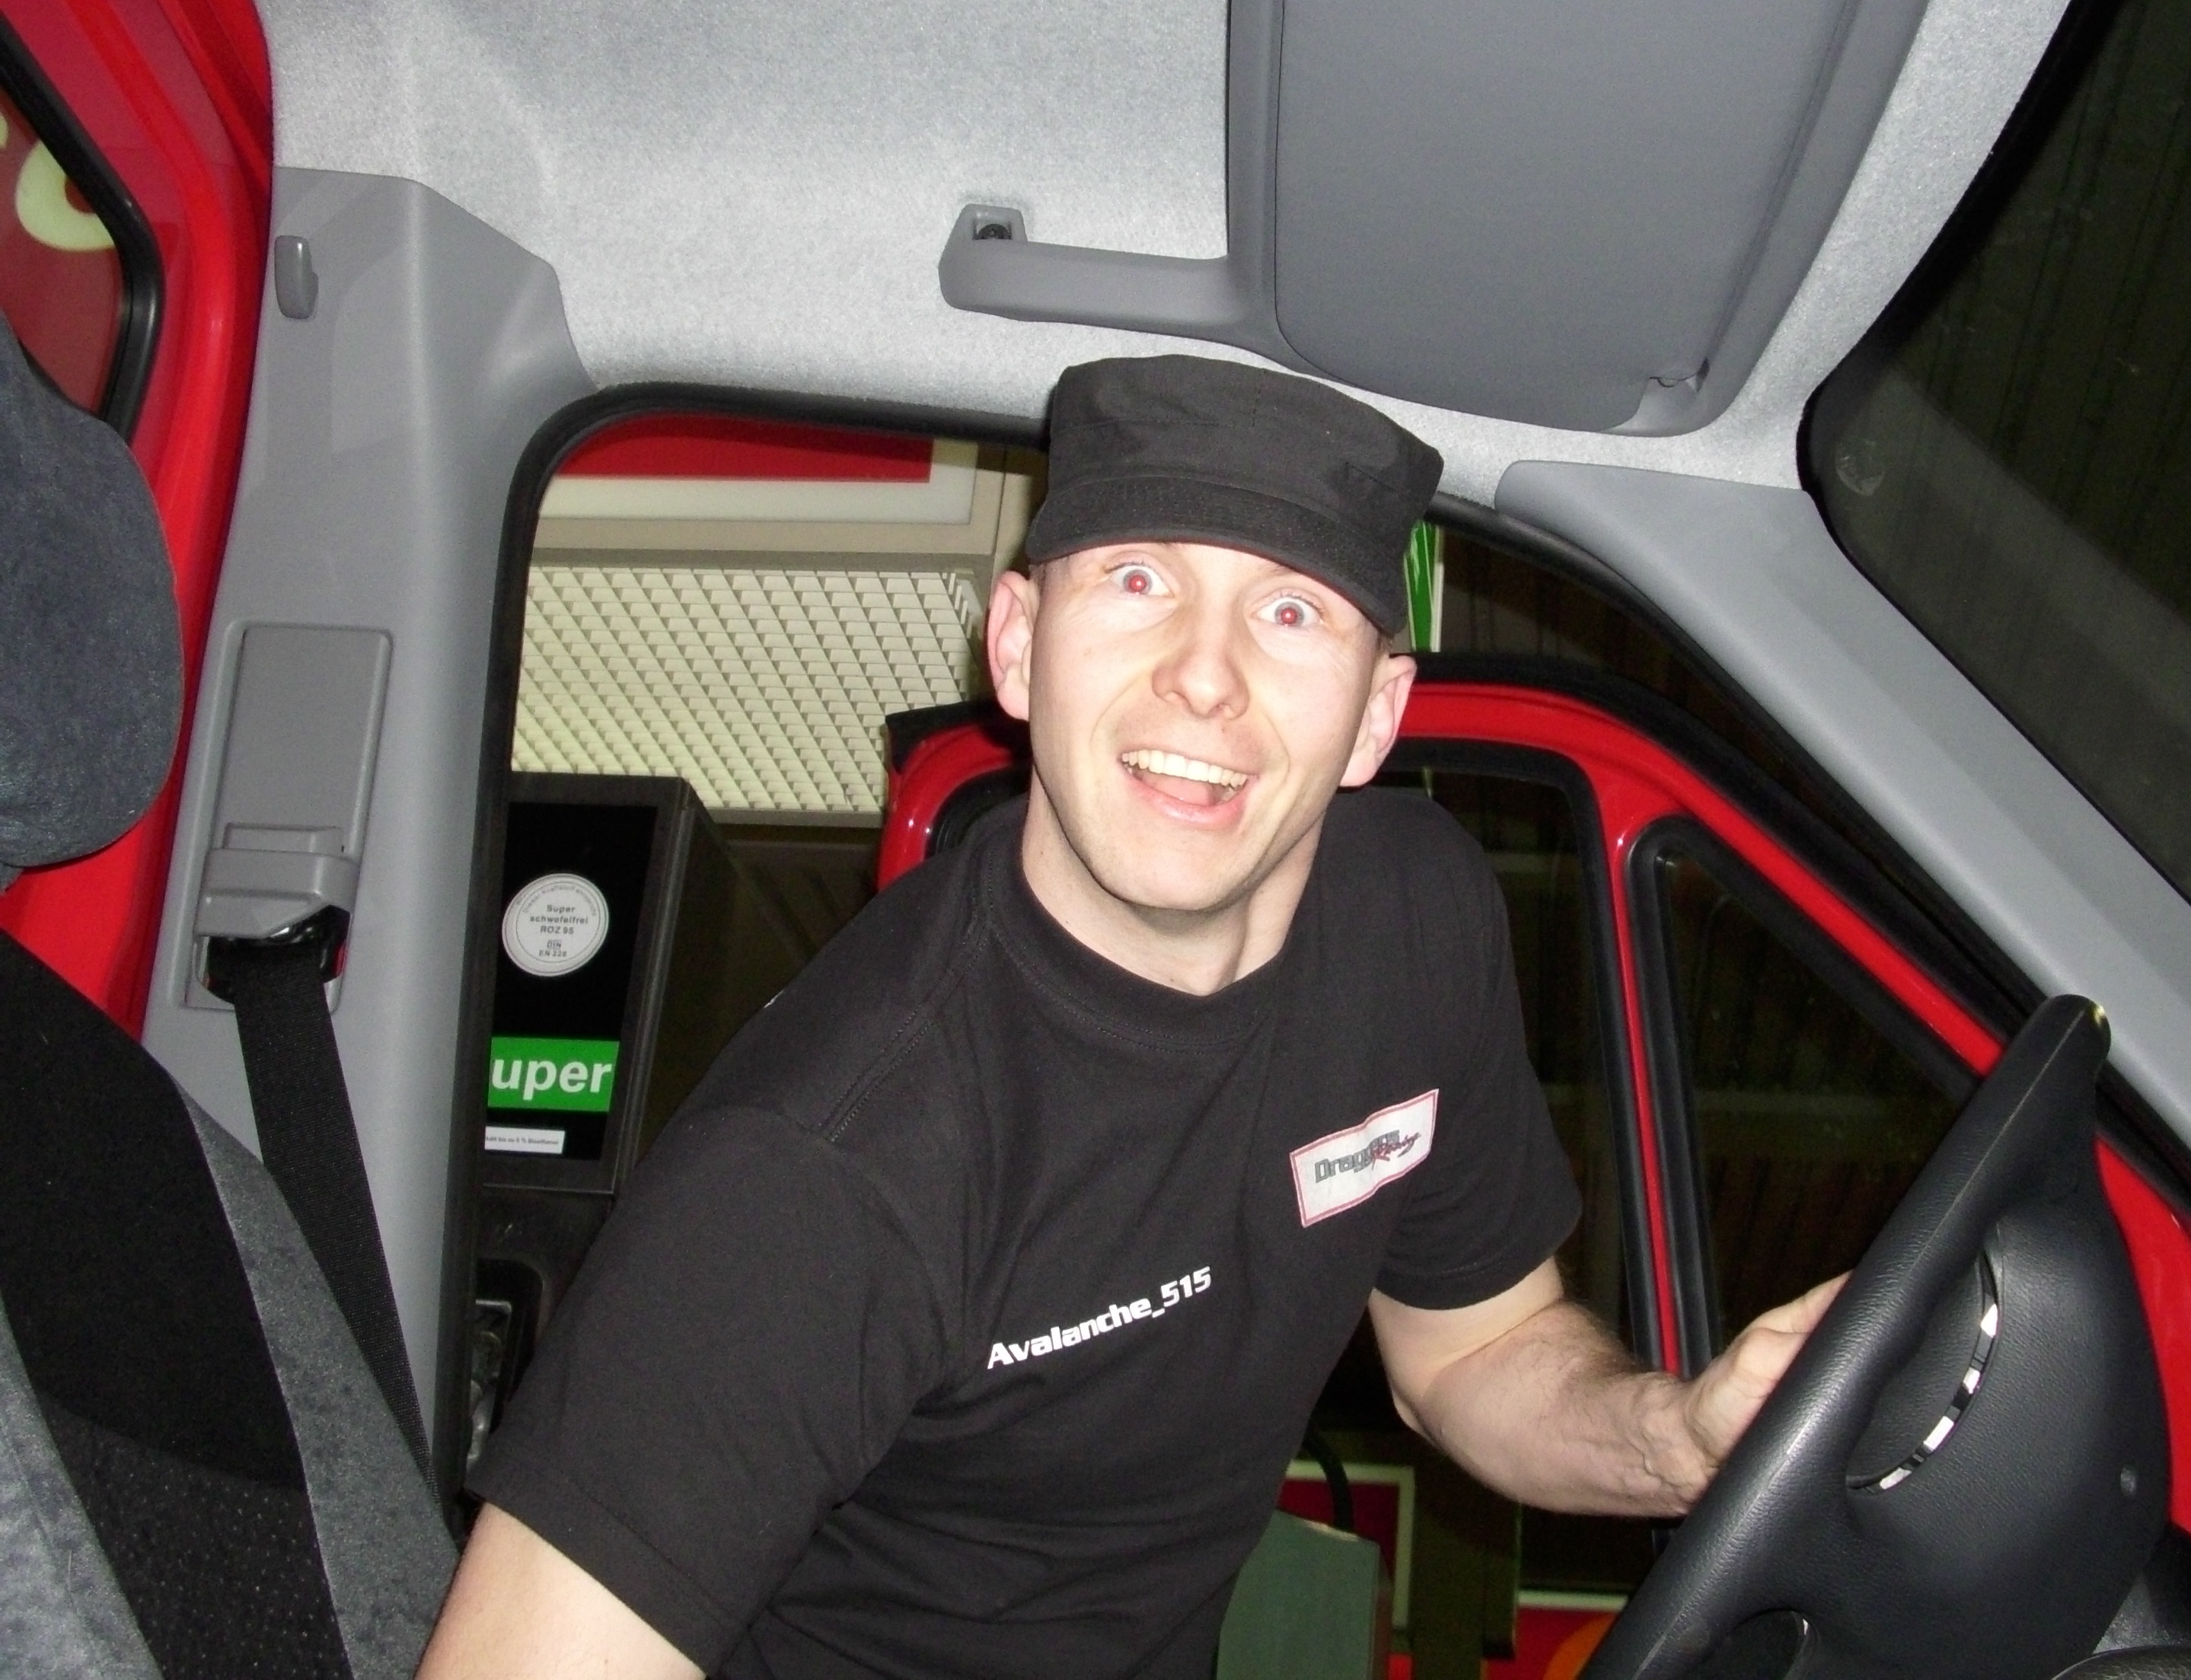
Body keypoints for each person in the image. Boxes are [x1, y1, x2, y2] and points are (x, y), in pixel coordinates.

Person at [419, 355, 1842, 1680]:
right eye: (1140, 579)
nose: (1205, 676)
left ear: (1377, 715)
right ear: (1019, 647)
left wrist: (1685, 1440)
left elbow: (1474, 1353)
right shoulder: (824, 1173)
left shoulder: (1417, 923)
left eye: (1291, 610)